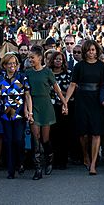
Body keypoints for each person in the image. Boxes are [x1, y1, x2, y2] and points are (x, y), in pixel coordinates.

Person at [65, 40, 104, 175]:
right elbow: (72, 84)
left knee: (96, 132)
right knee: (83, 133)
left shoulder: (102, 66)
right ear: (85, 51)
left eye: (93, 50)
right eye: (88, 50)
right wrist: (65, 101)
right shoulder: (79, 66)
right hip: (81, 99)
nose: (91, 53)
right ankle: (85, 156)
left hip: (97, 100)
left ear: (97, 51)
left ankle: (93, 163)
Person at [26, 45, 67, 180]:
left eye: (32, 57)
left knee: (45, 139)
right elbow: (26, 93)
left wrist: (64, 103)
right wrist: (28, 110)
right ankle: (38, 168)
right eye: (29, 57)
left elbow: (57, 89)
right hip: (33, 106)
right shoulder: (27, 72)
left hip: (46, 106)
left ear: (39, 57)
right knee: (35, 138)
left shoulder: (47, 72)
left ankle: (49, 158)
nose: (30, 59)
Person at [0, 53, 32, 179]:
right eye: (10, 63)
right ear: (4, 65)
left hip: (19, 111)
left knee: (18, 139)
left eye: (14, 63)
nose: (12, 66)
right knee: (8, 141)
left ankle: (21, 162)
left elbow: (27, 96)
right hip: (5, 112)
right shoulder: (0, 78)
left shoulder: (22, 77)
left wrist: (29, 111)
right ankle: (10, 170)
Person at [49, 51, 72, 170]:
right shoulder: (47, 74)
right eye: (56, 59)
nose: (58, 61)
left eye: (60, 59)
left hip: (64, 107)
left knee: (63, 134)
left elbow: (70, 91)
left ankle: (63, 160)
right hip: (50, 107)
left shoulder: (68, 74)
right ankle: (53, 160)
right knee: (52, 134)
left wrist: (58, 92)